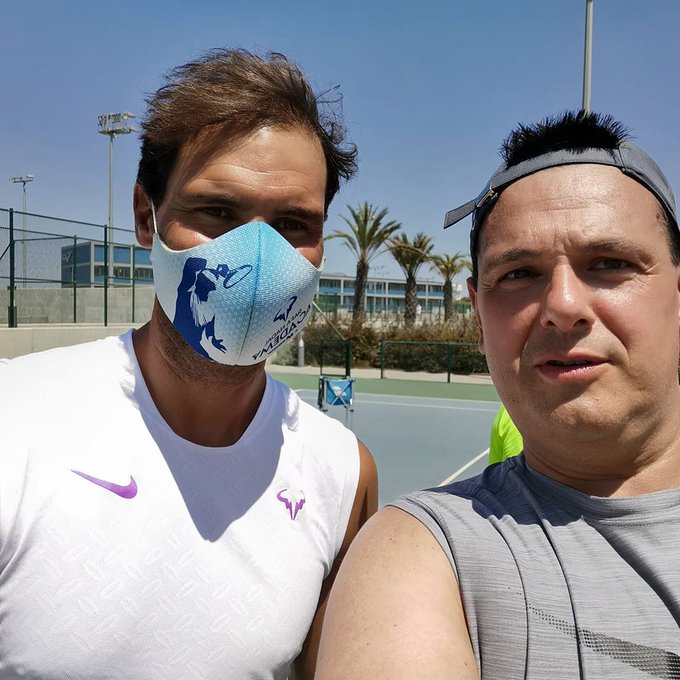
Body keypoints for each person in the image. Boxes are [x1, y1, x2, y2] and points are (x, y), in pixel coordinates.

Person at [0, 49, 377, 679]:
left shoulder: (342, 474)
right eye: (217, 212)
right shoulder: (14, 420)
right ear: (146, 217)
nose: (256, 254)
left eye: (292, 223)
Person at [316, 111, 680, 679]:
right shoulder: (422, 553)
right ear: (479, 316)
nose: (562, 305)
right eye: (518, 274)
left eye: (610, 264)